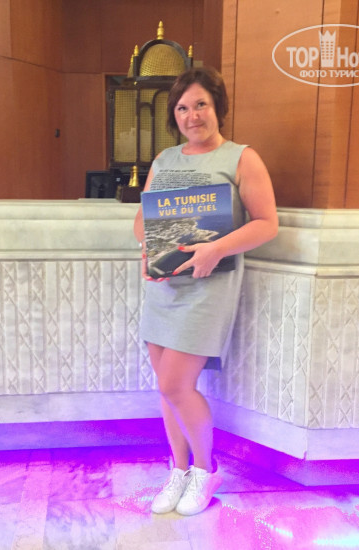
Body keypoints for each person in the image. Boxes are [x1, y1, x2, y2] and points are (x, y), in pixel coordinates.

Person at [133, 66, 278, 516]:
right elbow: (142, 221)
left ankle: (205, 468)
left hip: (208, 287)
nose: (192, 116)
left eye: (200, 105)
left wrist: (216, 248)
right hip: (164, 286)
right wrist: (148, 251)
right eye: (182, 108)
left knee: (176, 383)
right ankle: (177, 470)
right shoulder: (164, 160)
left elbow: (267, 223)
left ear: (218, 108)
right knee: (167, 388)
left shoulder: (241, 158)